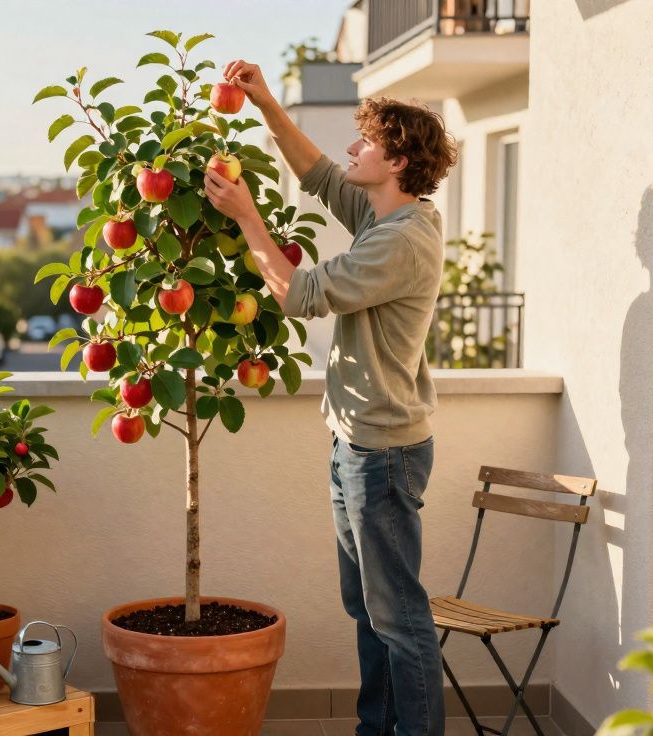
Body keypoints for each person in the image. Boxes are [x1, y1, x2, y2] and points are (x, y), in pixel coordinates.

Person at [205, 59, 457, 736]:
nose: (352, 149)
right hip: (356, 443)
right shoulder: (385, 217)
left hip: (381, 454)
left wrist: (247, 213)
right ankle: (379, 729)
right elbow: (317, 171)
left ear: (398, 159)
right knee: (369, 610)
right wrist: (262, 103)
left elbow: (299, 295)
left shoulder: (402, 241)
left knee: (399, 618)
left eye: (366, 142)